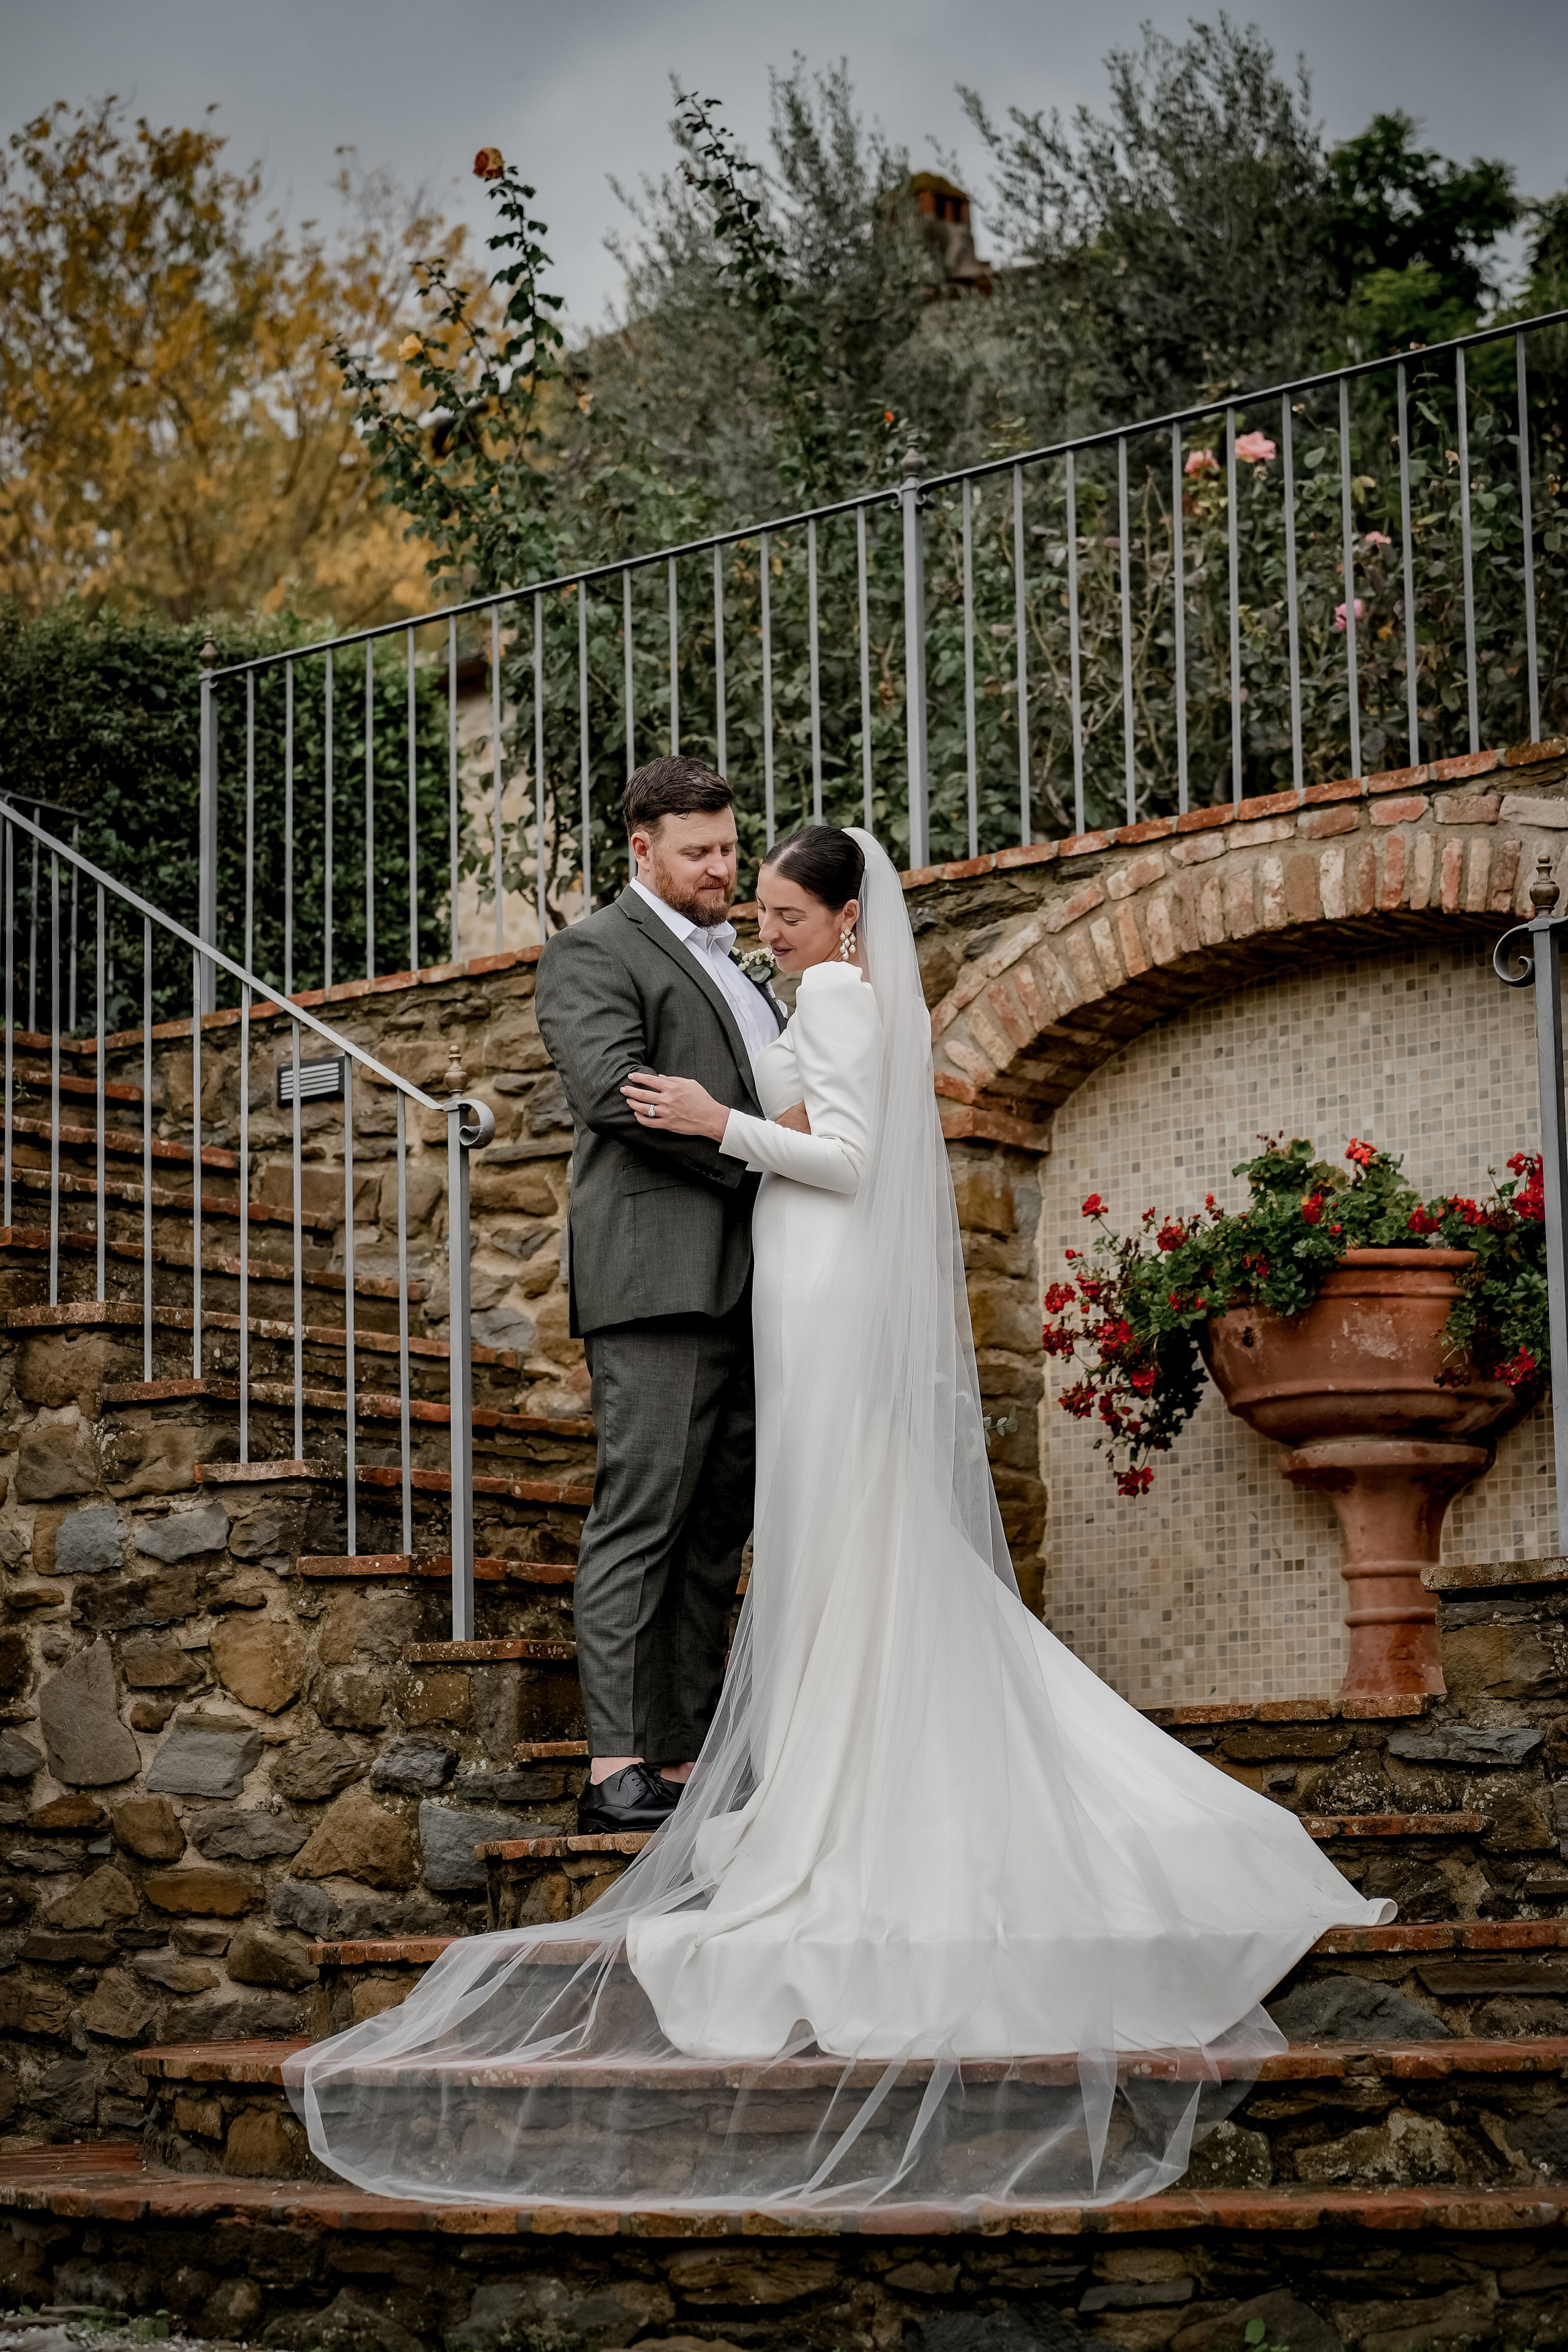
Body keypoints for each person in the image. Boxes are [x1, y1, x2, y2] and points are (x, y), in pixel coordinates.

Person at [286, 823, 1392, 2214]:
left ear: (839, 914)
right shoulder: (805, 989)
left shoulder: (832, 992)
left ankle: (833, 1768)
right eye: (742, 895)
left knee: (832, 1534)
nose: (763, 923)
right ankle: (809, 1754)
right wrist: (760, 1129)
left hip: (808, 1268)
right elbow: (821, 1132)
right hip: (788, 1280)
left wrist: (721, 1126)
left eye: (777, 903)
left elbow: (852, 1158)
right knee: (808, 1534)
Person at [531, 756, 783, 1837]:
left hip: (756, 1285)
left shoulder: (744, 969)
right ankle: (614, 1764)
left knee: (716, 1528)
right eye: (700, 852)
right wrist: (757, 1162)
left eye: (730, 848)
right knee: (642, 1516)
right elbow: (618, 1093)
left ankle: (680, 1762)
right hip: (658, 1278)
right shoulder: (592, 951)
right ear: (642, 850)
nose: (723, 868)